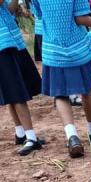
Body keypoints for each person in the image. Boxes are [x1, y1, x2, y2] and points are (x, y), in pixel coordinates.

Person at [32, 0, 91, 158]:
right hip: (76, 48)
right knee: (86, 90)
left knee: (60, 95)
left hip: (52, 48)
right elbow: (80, 19)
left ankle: (72, 136)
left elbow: (40, 15)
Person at [0, 0, 43, 156]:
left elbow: (9, 9)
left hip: (11, 42)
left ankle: (21, 133)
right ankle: (31, 137)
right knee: (17, 93)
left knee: (12, 92)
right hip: (3, 46)